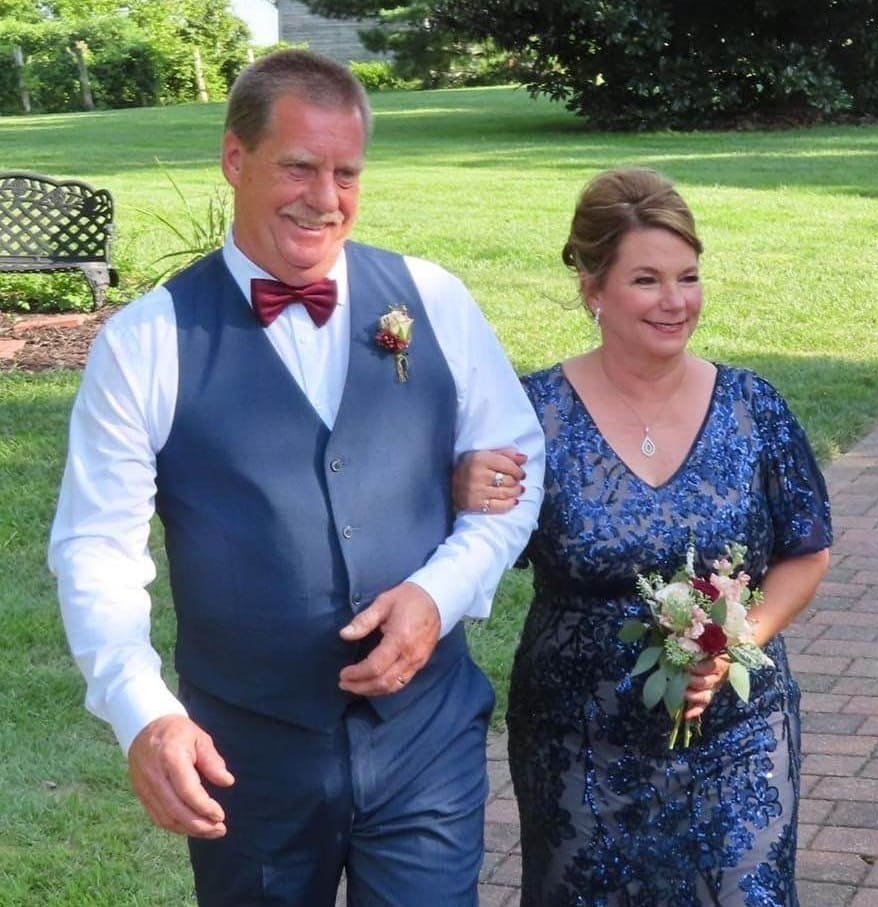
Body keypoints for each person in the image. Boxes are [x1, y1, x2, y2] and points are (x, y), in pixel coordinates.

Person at [48, 49, 544, 907]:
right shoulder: (148, 341)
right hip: (246, 754)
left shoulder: (431, 298)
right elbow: (98, 547)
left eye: (346, 172)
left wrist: (440, 591)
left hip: (424, 738)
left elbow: (515, 474)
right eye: (300, 167)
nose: (325, 199)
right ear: (235, 159)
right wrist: (143, 710)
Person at [455, 168, 832, 906]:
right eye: (646, 280)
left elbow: (806, 550)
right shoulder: (530, 414)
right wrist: (458, 490)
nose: (675, 302)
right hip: (578, 738)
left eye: (688, 277)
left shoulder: (751, 406)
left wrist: (736, 641)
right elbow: (471, 545)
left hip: (736, 730)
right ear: (592, 288)